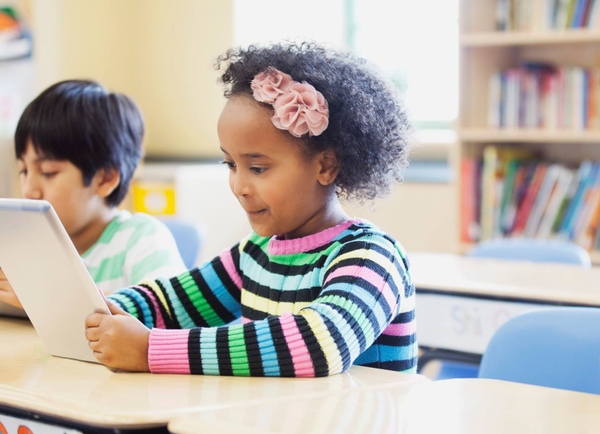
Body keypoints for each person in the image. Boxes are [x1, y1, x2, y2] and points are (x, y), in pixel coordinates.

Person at [84, 42, 416, 377]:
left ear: (326, 165)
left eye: (257, 168)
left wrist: (149, 349)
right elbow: (169, 303)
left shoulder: (370, 257)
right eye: (230, 164)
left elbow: (318, 344)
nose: (239, 186)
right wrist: (97, 313)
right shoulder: (254, 254)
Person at [0, 80, 186, 309]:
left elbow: (167, 314)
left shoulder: (142, 239)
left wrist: (50, 295)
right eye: (24, 170)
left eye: (48, 172)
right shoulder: (29, 247)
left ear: (105, 179)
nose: (29, 189)